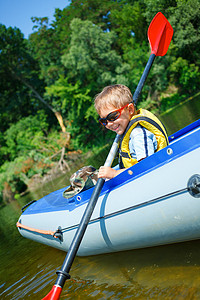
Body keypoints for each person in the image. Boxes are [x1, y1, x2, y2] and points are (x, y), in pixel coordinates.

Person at [94, 84, 168, 179]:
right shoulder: (128, 132)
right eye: (104, 121)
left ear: (130, 109)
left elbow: (148, 167)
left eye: (112, 117)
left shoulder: (138, 135)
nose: (109, 124)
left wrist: (114, 174)